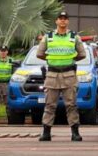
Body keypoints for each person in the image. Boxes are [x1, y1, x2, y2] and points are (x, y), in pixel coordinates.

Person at [36, 10, 86, 142]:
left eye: (65, 18)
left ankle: (75, 133)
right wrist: (53, 59)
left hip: (69, 74)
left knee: (71, 105)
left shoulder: (74, 37)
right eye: (60, 18)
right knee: (50, 105)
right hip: (52, 74)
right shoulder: (48, 37)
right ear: (56, 21)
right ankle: (46, 133)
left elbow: (82, 54)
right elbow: (39, 54)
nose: (62, 20)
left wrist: (69, 59)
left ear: (68, 21)